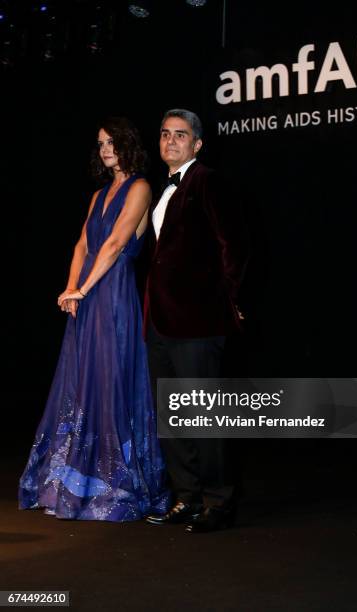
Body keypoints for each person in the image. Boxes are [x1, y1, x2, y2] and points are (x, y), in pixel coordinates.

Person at [19, 117, 170, 521]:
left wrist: (84, 289)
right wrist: (72, 288)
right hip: (87, 294)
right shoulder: (100, 193)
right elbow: (83, 244)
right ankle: (72, 480)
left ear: (128, 145)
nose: (105, 150)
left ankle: (114, 483)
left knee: (110, 379)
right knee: (82, 380)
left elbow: (118, 241)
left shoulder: (140, 186)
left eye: (112, 142)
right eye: (101, 144)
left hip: (114, 293)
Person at [144, 109, 248, 533]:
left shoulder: (209, 181)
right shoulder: (162, 189)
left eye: (181, 135)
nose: (171, 141)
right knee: (172, 417)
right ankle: (186, 497)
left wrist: (229, 302)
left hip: (199, 322)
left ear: (197, 144)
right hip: (160, 321)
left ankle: (218, 501)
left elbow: (234, 247)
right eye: (165, 134)